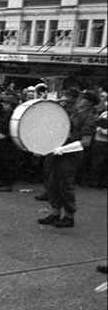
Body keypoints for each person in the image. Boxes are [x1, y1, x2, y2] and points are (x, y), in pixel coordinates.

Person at [37, 89, 98, 228]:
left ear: (90, 103)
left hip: (71, 155)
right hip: (60, 152)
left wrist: (63, 149)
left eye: (83, 98)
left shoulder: (88, 117)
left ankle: (69, 217)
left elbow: (86, 141)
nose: (79, 100)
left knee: (65, 186)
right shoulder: (75, 113)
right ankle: (55, 213)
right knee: (53, 184)